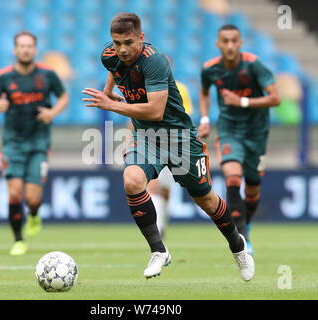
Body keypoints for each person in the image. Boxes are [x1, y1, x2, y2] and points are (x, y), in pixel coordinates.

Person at [83, 13, 254, 281]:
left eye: (128, 42)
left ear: (141, 37)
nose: (122, 49)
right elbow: (114, 72)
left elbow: (155, 109)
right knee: (132, 180)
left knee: (206, 201)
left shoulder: (155, 62)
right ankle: (158, 250)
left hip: (180, 139)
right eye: (117, 43)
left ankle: (237, 245)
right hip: (147, 137)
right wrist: (108, 93)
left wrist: (112, 105)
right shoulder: (109, 54)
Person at [198, 24, 281, 255]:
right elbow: (204, 92)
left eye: (234, 40)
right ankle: (241, 238)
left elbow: (275, 98)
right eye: (225, 41)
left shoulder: (254, 65)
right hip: (229, 130)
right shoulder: (210, 69)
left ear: (241, 43)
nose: (230, 45)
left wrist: (242, 102)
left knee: (252, 188)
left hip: (257, 133)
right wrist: (205, 118)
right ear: (218, 44)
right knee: (233, 178)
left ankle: (247, 225)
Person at [0, 31, 69, 255]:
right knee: (14, 193)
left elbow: (63, 96)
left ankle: (33, 214)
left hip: (39, 143)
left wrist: (53, 112)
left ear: (35, 50)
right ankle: (18, 240)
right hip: (13, 143)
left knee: (33, 198)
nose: (25, 50)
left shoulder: (47, 74)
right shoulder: (4, 77)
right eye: (21, 46)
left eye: (29, 46)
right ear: (15, 50)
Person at [147, 78, 194, 239]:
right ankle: (157, 229)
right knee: (153, 185)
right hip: (150, 142)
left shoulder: (180, 88)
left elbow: (185, 115)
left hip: (173, 143)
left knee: (166, 191)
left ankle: (163, 223)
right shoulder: (143, 87)